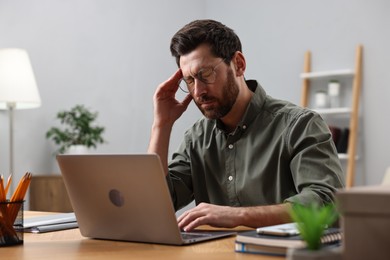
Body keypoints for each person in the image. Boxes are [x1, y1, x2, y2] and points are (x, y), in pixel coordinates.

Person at [148, 19, 344, 232]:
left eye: (205, 74)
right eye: (190, 81)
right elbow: (155, 206)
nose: (198, 91)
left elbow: (327, 202)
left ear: (239, 64)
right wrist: (162, 125)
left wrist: (238, 216)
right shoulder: (196, 138)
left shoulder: (300, 125)